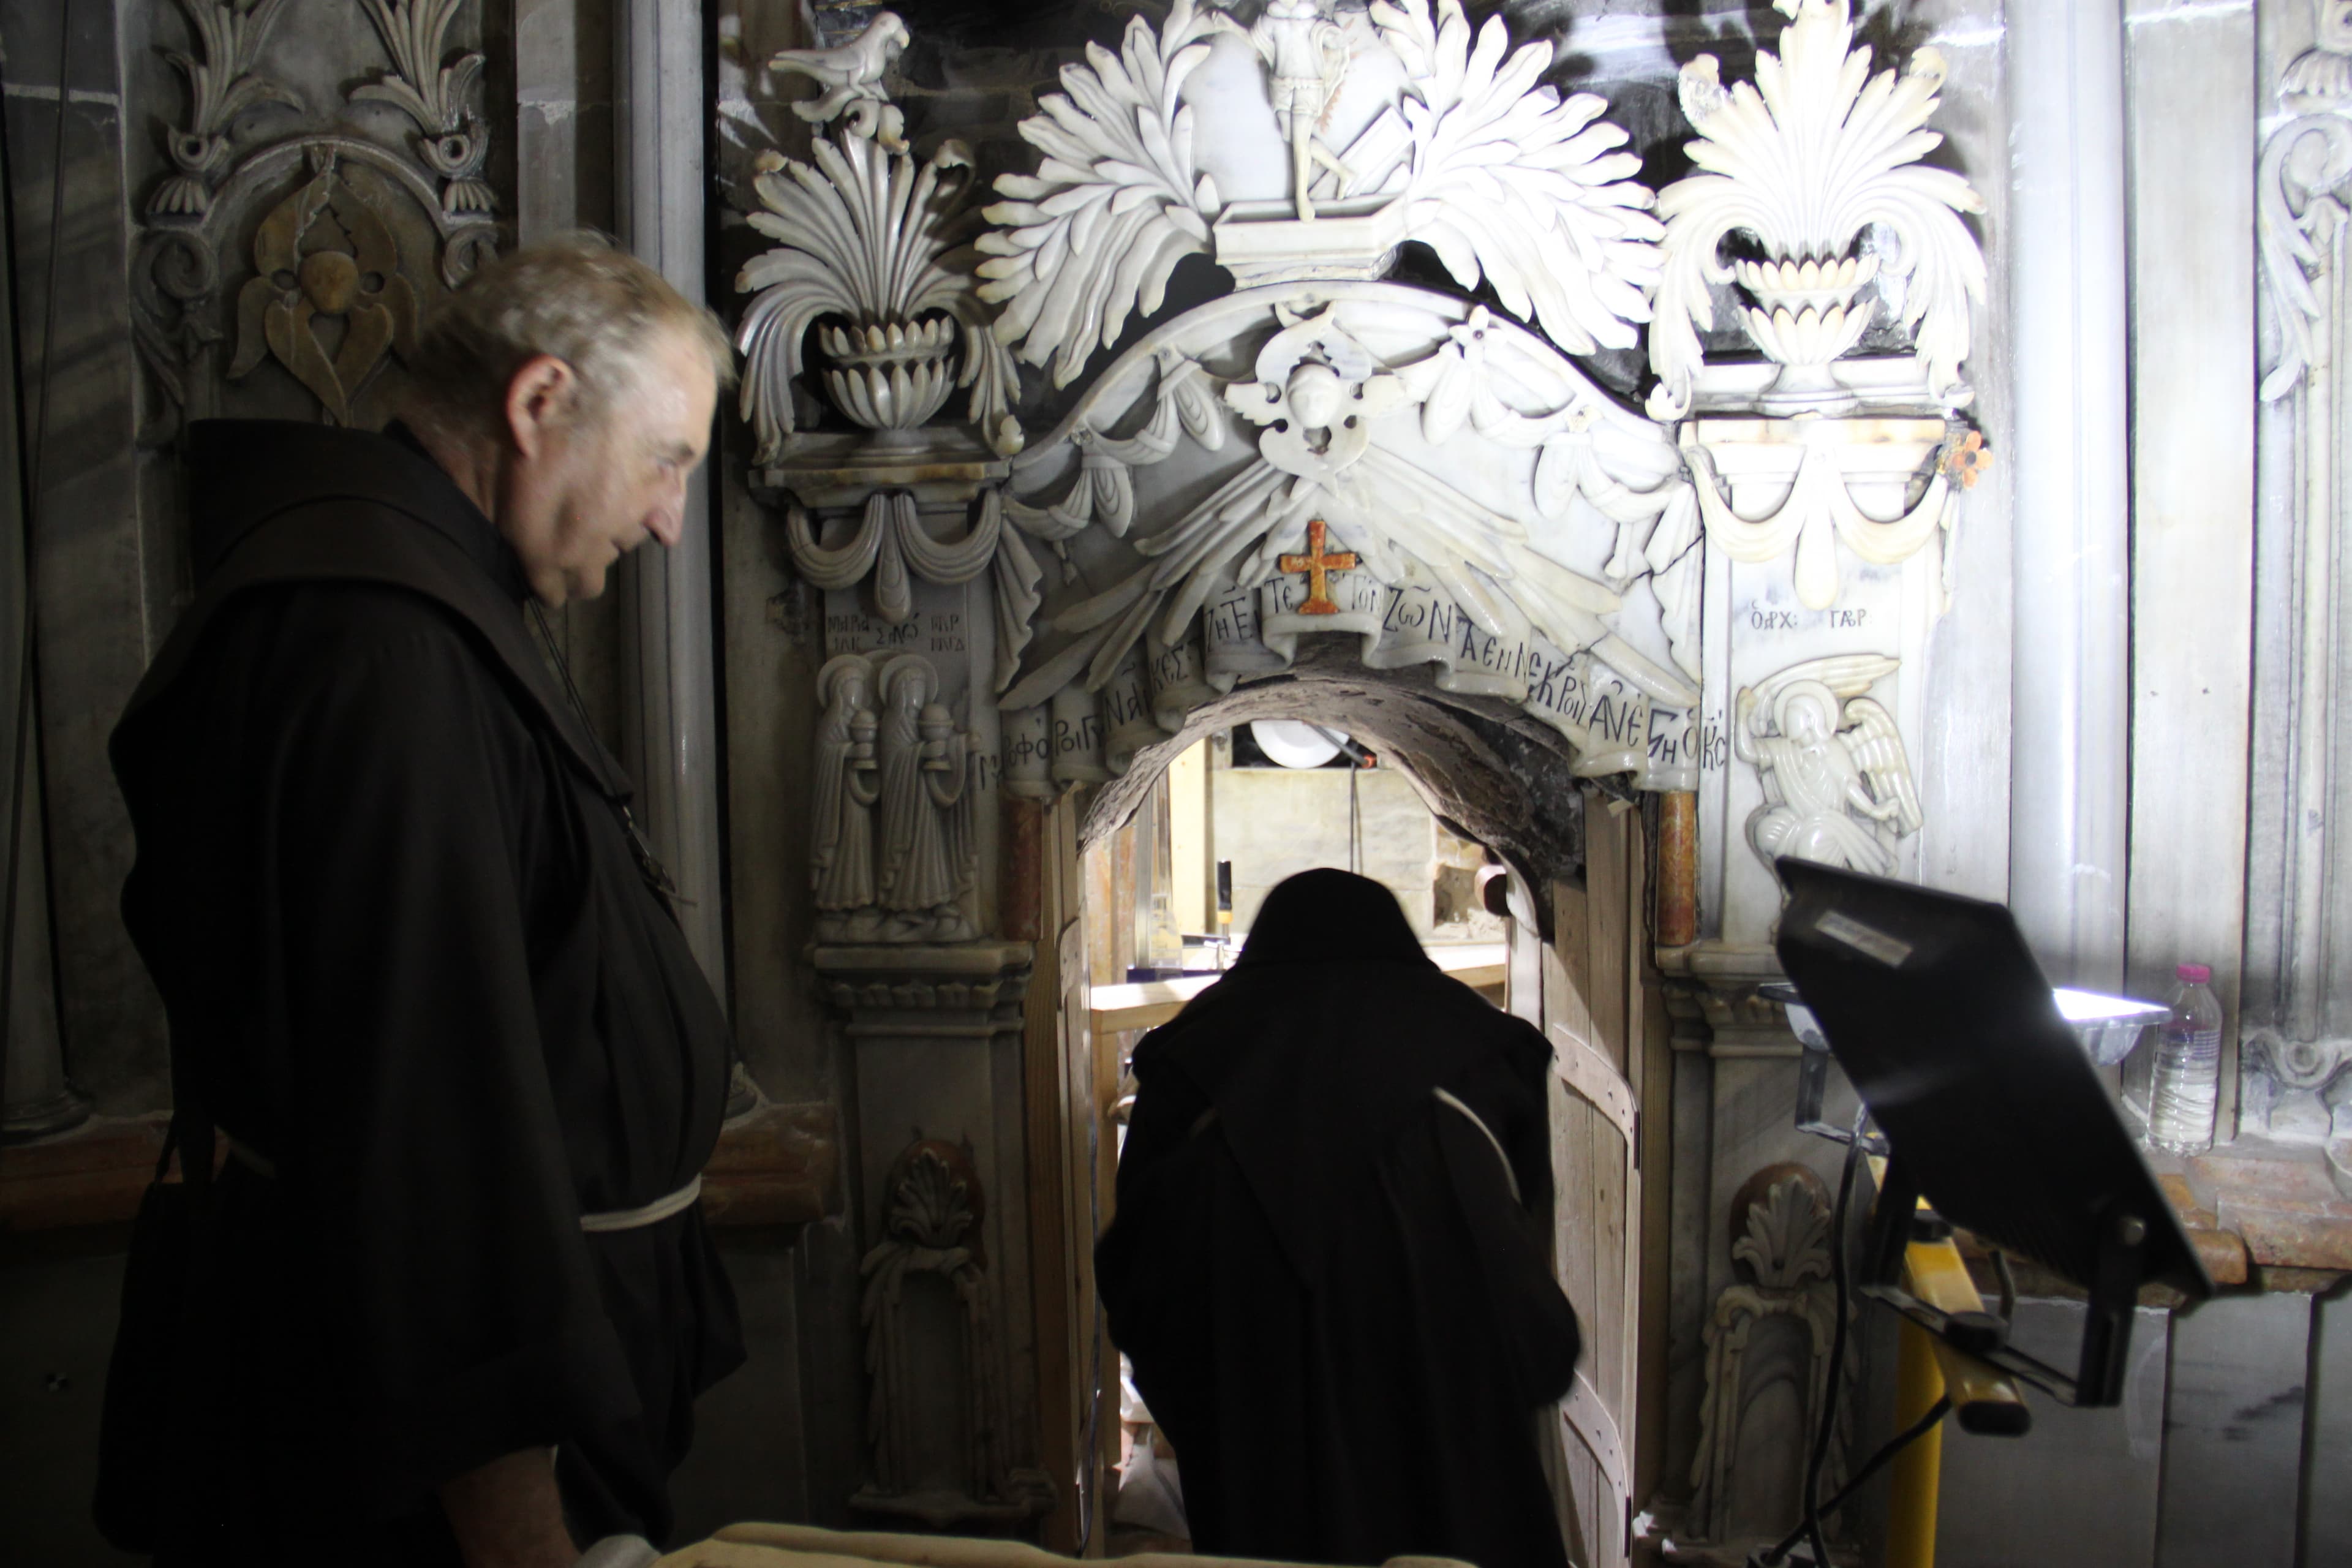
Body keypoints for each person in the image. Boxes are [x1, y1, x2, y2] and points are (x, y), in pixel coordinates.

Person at [100, 236, 741, 1568]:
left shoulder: (419, 602)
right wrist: (521, 1539)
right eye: (669, 457)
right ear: (538, 403)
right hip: (458, 1497)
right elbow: (430, 1144)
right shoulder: (381, 648)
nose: (672, 516)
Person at [1096, 868, 1582, 1568]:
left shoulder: (1187, 1070)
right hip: (1459, 1504)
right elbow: (1536, 1339)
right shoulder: (1482, 1060)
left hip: (1259, 1502)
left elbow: (1141, 1297)